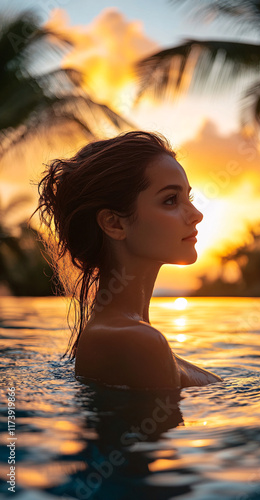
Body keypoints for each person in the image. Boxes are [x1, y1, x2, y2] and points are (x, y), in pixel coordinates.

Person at [37, 131, 222, 390]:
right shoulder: (137, 341)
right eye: (170, 200)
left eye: (188, 198)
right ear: (114, 223)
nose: (197, 214)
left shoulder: (128, 334)